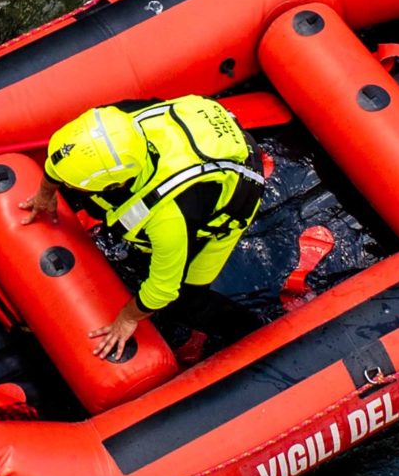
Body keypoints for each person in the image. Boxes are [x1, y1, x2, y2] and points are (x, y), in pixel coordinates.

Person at [22, 96, 265, 359]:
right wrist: (45, 193)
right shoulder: (111, 122)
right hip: (190, 131)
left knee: (185, 303)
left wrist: (128, 317)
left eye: (73, 182)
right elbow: (61, 160)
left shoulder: (170, 219)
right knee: (93, 204)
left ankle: (253, 331)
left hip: (230, 193)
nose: (67, 184)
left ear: (117, 184)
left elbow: (163, 289)